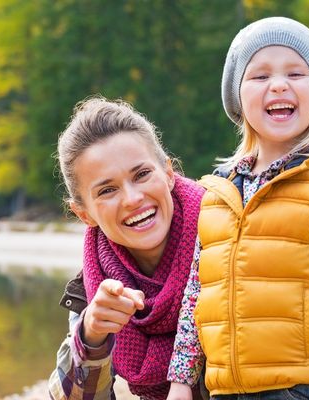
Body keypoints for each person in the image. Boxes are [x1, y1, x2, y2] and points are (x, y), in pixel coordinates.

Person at [166, 16, 309, 400]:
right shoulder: (217, 195)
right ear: (238, 98)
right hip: (225, 390)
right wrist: (181, 383)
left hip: (299, 389)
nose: (279, 84)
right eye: (261, 76)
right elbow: (196, 296)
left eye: (296, 73)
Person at [48, 96, 206, 400]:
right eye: (107, 190)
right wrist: (91, 335)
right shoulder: (96, 283)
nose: (132, 198)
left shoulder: (230, 237)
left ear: (169, 174)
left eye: (142, 174)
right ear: (84, 214)